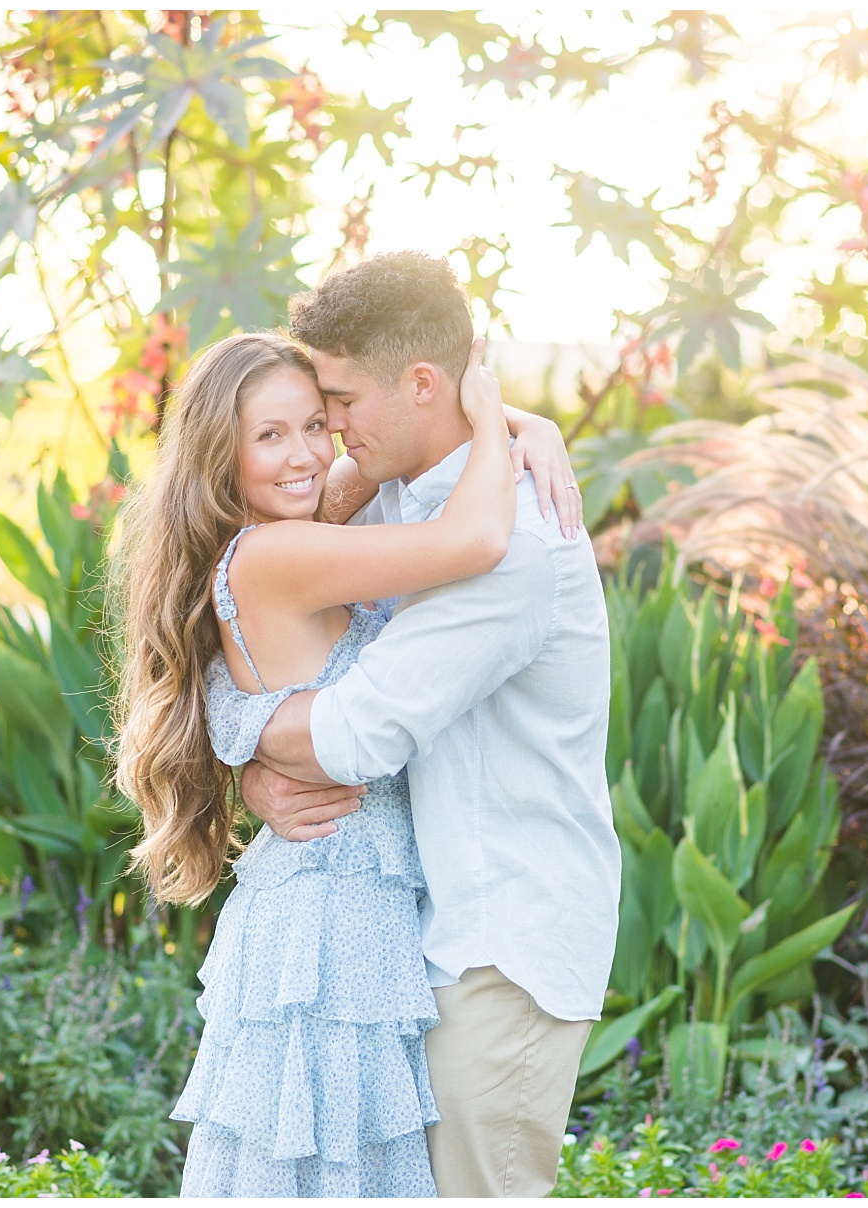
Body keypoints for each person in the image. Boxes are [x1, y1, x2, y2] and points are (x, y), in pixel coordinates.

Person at [110, 327, 577, 1196]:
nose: (304, 455)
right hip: (331, 921)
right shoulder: (280, 551)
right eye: (269, 436)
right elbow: (474, 540)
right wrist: (489, 406)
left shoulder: (298, 525)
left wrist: (526, 425)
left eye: (315, 426)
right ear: (224, 456)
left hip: (343, 897)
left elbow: (401, 430)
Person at [237, 252, 622, 1198]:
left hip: (502, 948)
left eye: (340, 399)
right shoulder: (399, 497)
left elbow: (354, 737)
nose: (327, 426)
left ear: (421, 384)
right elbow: (310, 653)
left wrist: (243, 734)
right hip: (427, 939)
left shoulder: (513, 543)